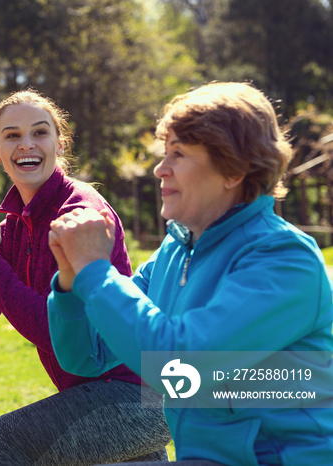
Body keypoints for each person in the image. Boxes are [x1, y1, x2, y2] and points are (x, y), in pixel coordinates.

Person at [47, 82, 333, 465]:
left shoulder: (283, 260)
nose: (159, 169)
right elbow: (86, 356)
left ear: (235, 169)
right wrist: (70, 282)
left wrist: (97, 272)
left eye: (178, 154)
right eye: (165, 153)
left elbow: (181, 369)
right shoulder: (175, 251)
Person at [0, 89, 172, 465]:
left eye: (39, 132)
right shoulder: (17, 226)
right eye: (12, 135)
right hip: (106, 392)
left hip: (138, 392)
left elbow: (54, 332)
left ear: (59, 143)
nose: (27, 144)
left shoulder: (79, 215)